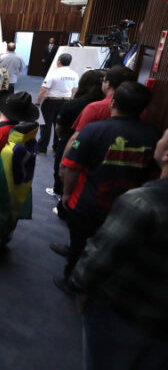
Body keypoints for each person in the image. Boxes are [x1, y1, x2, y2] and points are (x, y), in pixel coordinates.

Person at [70, 128, 168, 370]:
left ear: (166, 154)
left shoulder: (142, 203)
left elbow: (98, 261)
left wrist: (81, 290)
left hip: (121, 315)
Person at [57, 82, 159, 296]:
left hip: (87, 203)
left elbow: (72, 168)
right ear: (144, 110)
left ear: (112, 102)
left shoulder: (94, 130)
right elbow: (153, 175)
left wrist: (66, 193)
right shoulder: (154, 136)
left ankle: (72, 281)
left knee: (79, 245)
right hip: (131, 208)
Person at [46, 70, 105, 204]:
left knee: (62, 167)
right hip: (95, 144)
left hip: (70, 139)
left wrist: (63, 138)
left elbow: (59, 127)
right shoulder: (104, 105)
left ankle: (61, 193)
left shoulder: (73, 104)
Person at [61, 65, 138, 158]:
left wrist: (64, 163)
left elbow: (76, 140)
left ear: (108, 84)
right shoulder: (140, 108)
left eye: (103, 80)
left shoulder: (95, 108)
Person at [36, 53, 79, 155]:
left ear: (58, 62)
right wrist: (71, 100)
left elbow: (43, 90)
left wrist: (38, 102)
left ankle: (42, 149)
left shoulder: (53, 73)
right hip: (66, 101)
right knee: (60, 125)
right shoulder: (75, 74)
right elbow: (75, 90)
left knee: (46, 125)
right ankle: (56, 147)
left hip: (51, 101)